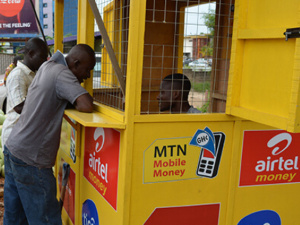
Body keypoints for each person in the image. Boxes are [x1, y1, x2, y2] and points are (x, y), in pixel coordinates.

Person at [3, 44, 96, 225]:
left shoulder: (48, 65)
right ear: (75, 63)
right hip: (32, 160)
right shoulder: (63, 73)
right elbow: (86, 105)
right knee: (45, 220)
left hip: (13, 149)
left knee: (15, 218)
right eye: (88, 70)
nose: (88, 76)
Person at [2, 37, 48, 149]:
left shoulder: (34, 73)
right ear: (31, 54)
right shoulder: (18, 75)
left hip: (24, 137)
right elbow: (19, 107)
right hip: (15, 138)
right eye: (42, 57)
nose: (44, 61)